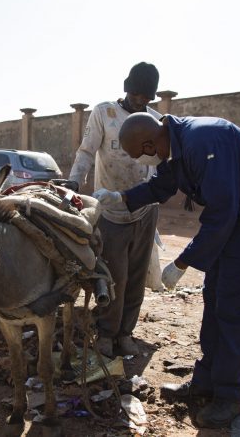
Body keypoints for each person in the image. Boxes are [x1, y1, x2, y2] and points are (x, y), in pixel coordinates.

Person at [94, 112, 240, 428]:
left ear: (149, 143)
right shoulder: (178, 143)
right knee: (215, 298)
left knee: (235, 307)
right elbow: (163, 185)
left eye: (139, 154)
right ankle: (207, 384)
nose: (142, 161)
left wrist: (182, 262)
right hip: (236, 214)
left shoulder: (202, 141)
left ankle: (230, 397)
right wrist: (121, 198)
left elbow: (223, 211)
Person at [68, 62, 161, 357]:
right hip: (111, 213)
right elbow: (85, 151)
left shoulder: (156, 120)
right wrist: (74, 181)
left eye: (147, 97)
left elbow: (161, 165)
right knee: (112, 276)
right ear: (127, 88)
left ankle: (126, 333)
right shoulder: (104, 114)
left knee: (135, 277)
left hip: (144, 211)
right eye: (137, 94)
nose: (141, 101)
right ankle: (106, 332)